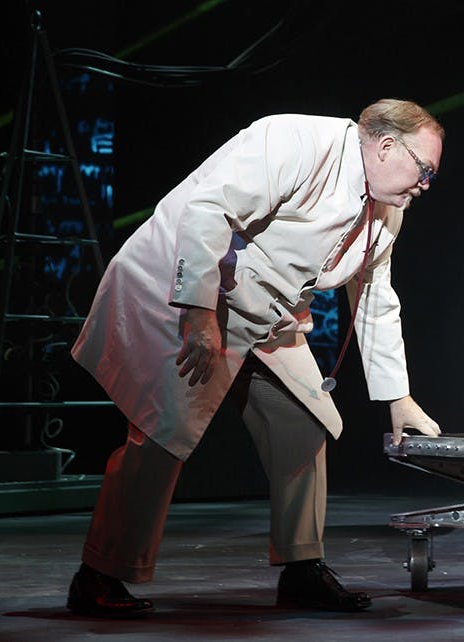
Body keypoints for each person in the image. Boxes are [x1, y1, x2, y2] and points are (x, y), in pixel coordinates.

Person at [66, 98, 444, 617]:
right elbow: (208, 208)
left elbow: (376, 297)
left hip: (270, 320)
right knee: (161, 431)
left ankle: (301, 568)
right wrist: (197, 313)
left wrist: (397, 396)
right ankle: (99, 575)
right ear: (384, 146)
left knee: (305, 424)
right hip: (195, 293)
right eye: (424, 170)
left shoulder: (389, 211)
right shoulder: (296, 141)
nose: (425, 185)